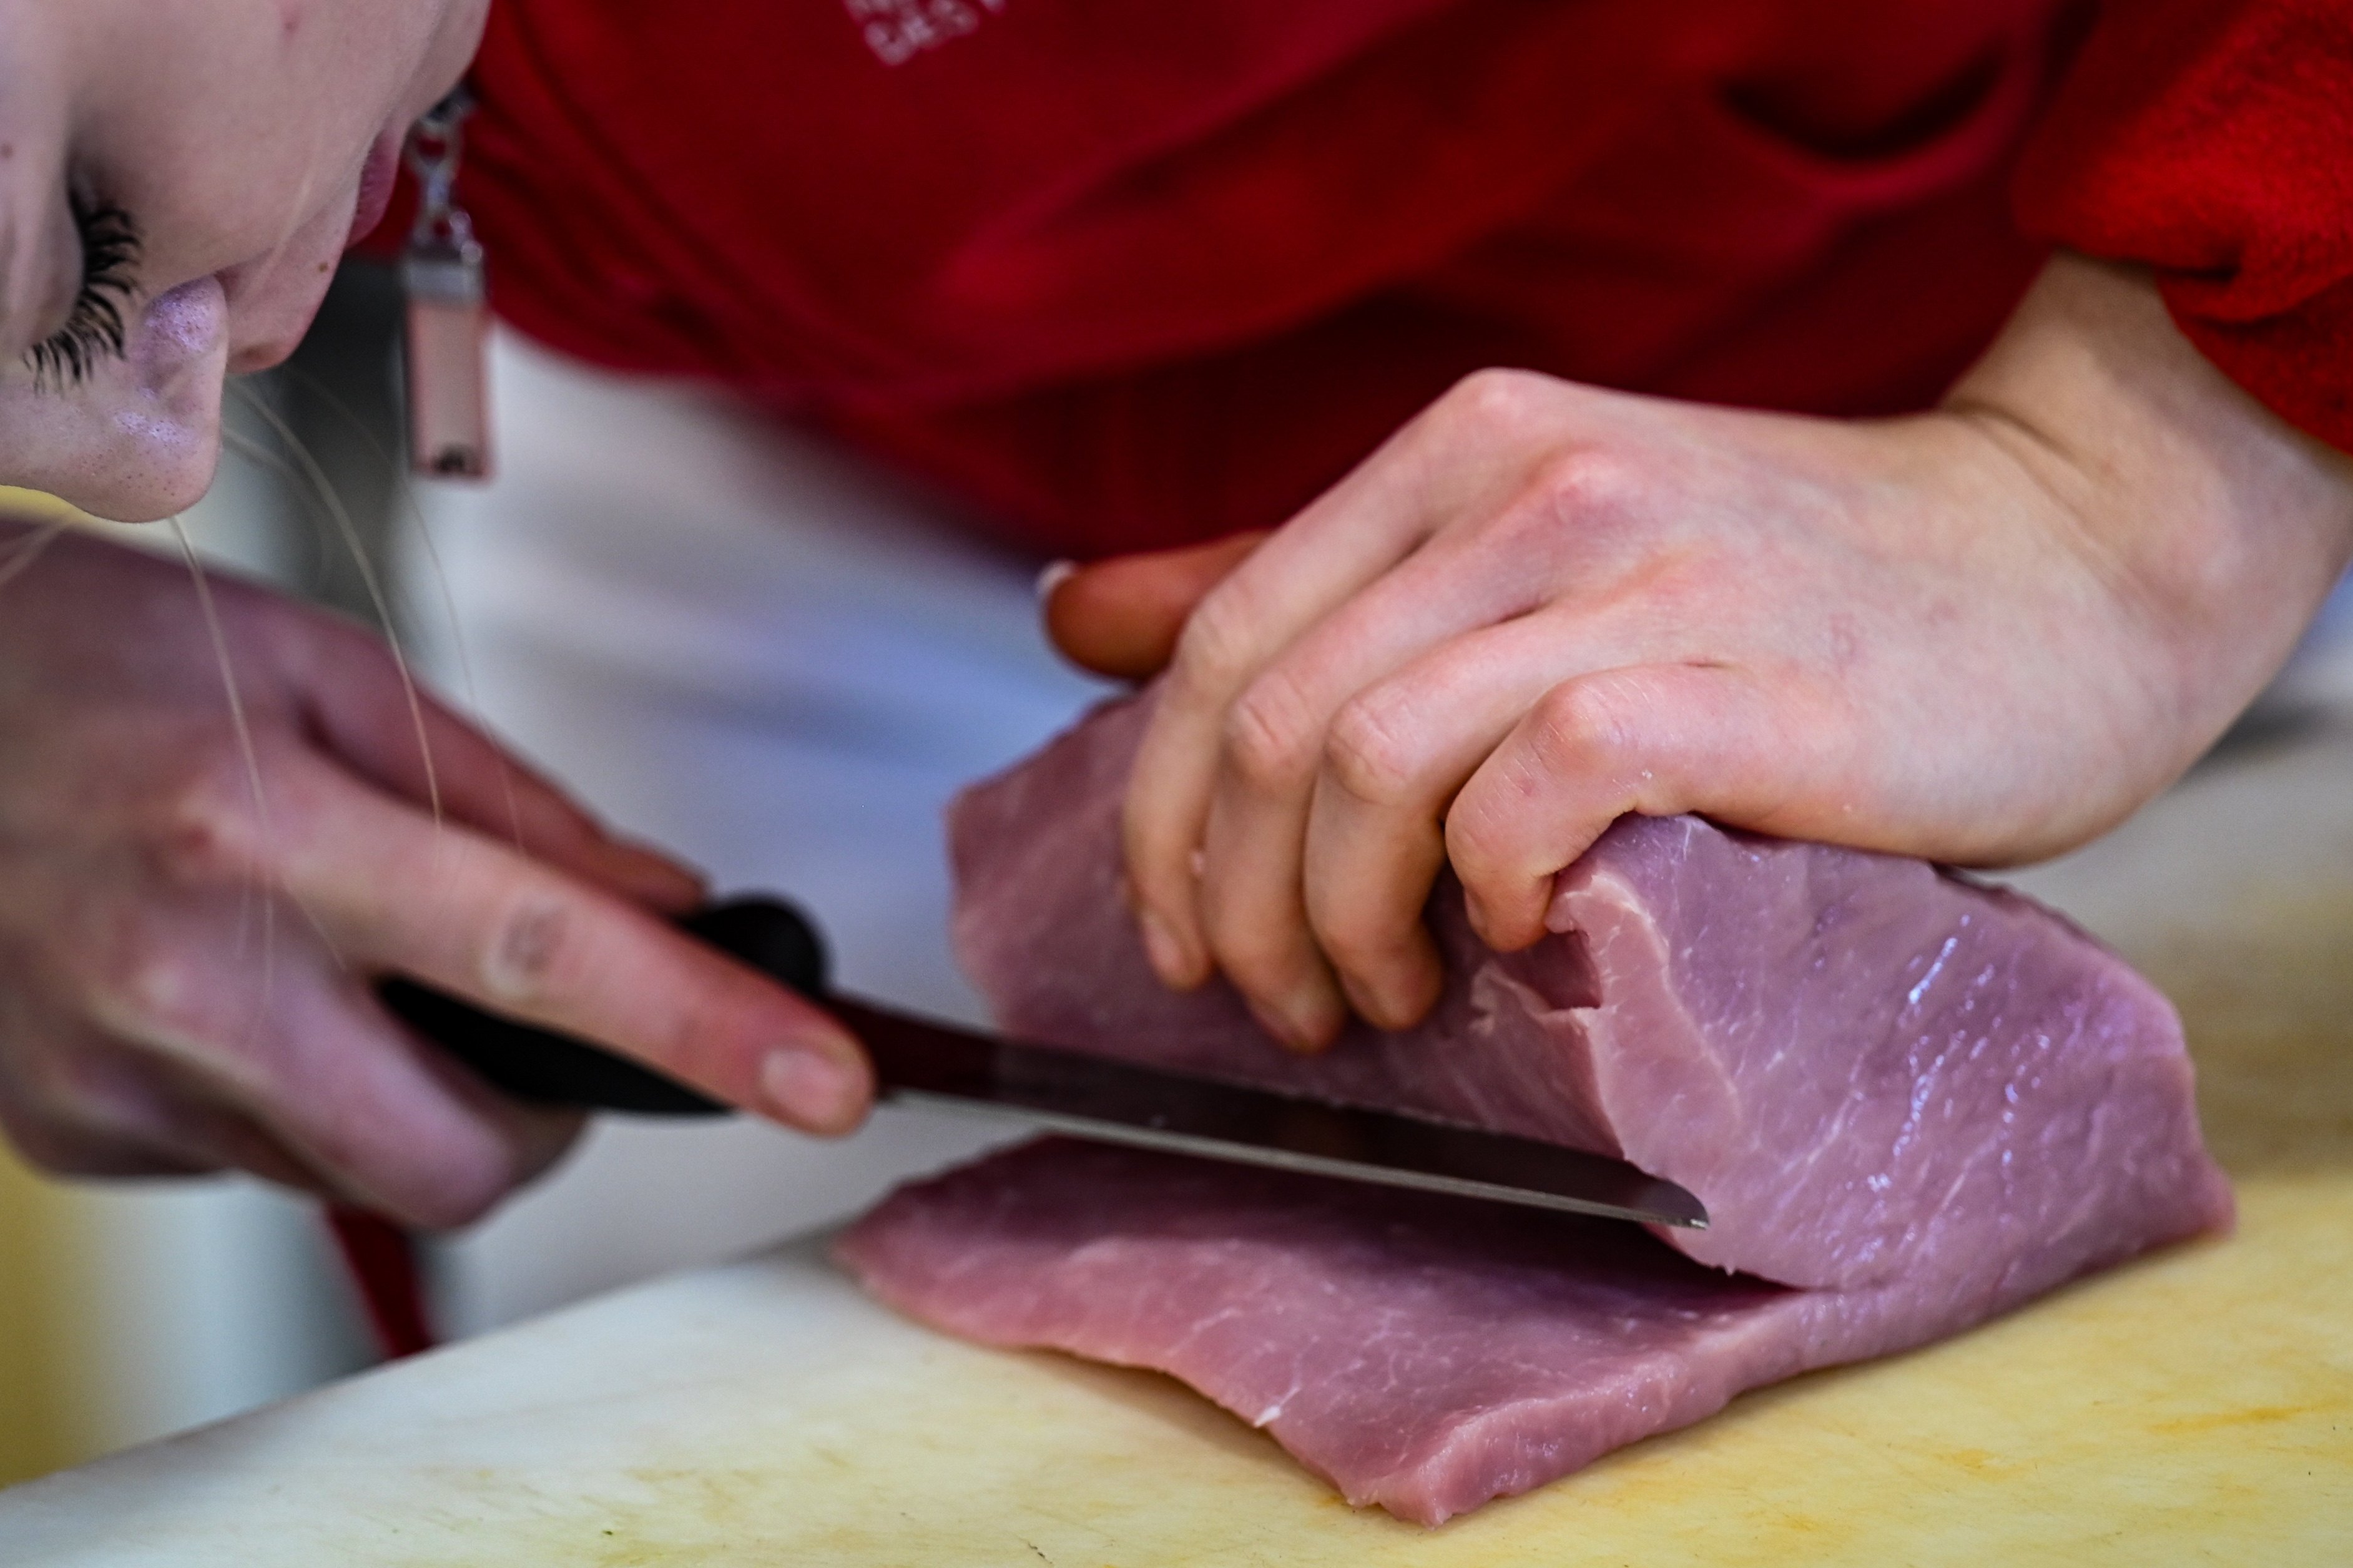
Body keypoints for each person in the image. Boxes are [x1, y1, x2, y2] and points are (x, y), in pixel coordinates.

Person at [1, 0, 2348, 1278]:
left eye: (93, 247)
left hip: (2081, 306)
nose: (156, 472)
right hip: (815, 466)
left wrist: (2147, 475)